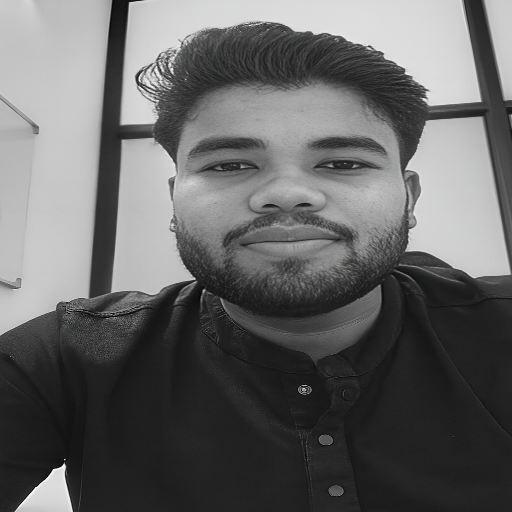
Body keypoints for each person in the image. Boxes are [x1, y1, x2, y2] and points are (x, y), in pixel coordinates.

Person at [1, 21, 511, 512]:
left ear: (409, 196)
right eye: (229, 165)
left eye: (343, 163)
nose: (286, 194)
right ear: (175, 200)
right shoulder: (64, 359)